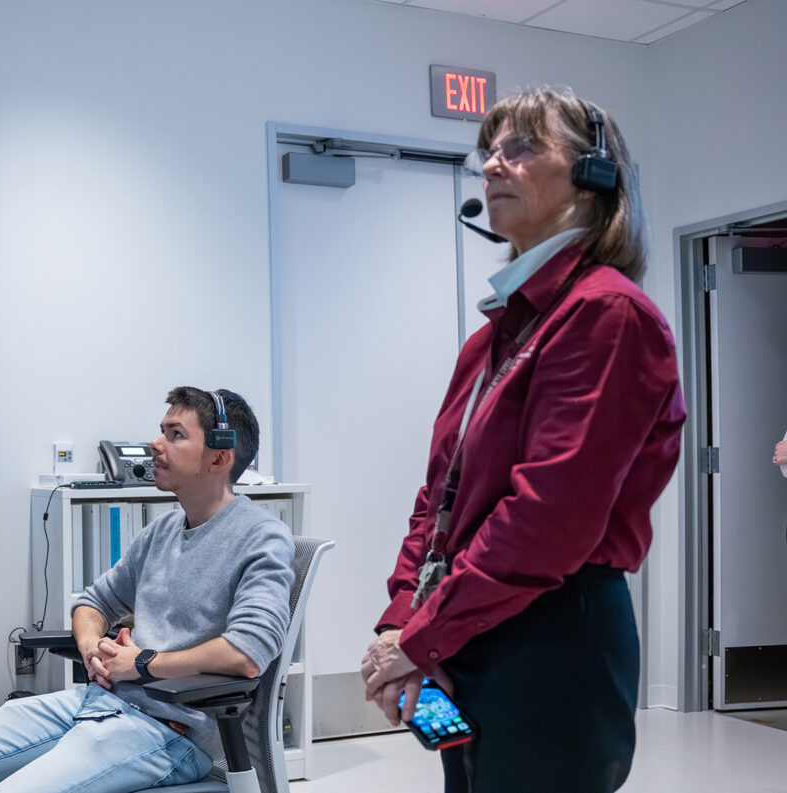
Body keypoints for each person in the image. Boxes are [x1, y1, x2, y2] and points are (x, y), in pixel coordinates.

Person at [360, 88, 686, 793]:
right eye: (490, 151)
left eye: (522, 147)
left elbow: (547, 518)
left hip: (552, 636)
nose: (493, 167)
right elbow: (438, 500)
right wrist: (403, 622)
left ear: (595, 175)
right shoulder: (496, 333)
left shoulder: (606, 314)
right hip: (475, 624)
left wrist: (422, 637)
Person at [0, 387, 293, 793]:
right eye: (161, 431)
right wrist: (93, 648)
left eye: (175, 434)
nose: (154, 444)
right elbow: (93, 603)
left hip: (172, 731)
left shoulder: (262, 537)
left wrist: (142, 662)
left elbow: (247, 654)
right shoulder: (161, 531)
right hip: (102, 703)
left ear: (219, 456)